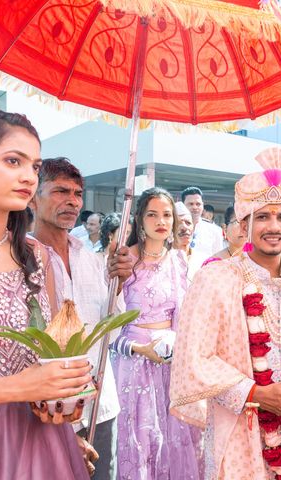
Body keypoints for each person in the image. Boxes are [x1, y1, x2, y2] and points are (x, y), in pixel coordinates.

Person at [170, 147, 281, 480]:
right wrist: (257, 394)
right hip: (239, 428)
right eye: (262, 217)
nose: (273, 226)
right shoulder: (216, 278)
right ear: (244, 224)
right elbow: (193, 361)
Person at [0, 110, 91, 479]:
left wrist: (60, 405)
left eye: (35, 166)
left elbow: (49, 356)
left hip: (43, 446)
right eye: (13, 161)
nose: (29, 176)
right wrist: (4, 390)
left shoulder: (36, 256)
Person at [30, 157, 133, 480]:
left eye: (77, 193)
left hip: (100, 405)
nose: (73, 201)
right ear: (33, 196)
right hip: (44, 411)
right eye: (61, 191)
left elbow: (110, 334)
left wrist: (119, 284)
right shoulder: (20, 258)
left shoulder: (91, 260)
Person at [110, 187, 202, 479]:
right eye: (152, 214)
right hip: (132, 365)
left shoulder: (178, 260)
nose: (161, 221)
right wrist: (139, 349)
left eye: (166, 215)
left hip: (170, 365)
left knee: (174, 444)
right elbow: (108, 326)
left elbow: (184, 316)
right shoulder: (125, 261)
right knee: (140, 443)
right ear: (140, 219)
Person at [182, 186, 223, 257]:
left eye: (198, 204)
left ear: (203, 206)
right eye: (191, 204)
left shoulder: (215, 231)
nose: (195, 207)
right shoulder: (173, 228)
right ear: (183, 205)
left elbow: (218, 259)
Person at [173, 201, 207, 283]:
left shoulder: (204, 261)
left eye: (188, 223)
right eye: (178, 223)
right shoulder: (162, 259)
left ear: (193, 228)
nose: (184, 227)